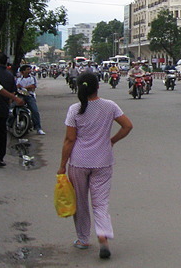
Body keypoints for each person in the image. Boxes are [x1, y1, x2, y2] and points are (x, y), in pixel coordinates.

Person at [58, 72, 132, 259]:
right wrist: (112, 141)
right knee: (100, 203)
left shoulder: (75, 109)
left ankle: (83, 239)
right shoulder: (110, 106)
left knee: (81, 202)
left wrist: (62, 166)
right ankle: (103, 236)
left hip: (79, 162)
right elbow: (127, 126)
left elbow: (69, 139)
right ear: (98, 86)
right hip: (103, 162)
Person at [0, 53, 15, 166]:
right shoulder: (9, 75)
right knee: (1, 133)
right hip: (3, 108)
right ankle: (0, 157)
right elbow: (12, 91)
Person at [17, 64, 45, 135]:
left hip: (29, 96)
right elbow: (16, 86)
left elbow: (33, 86)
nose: (29, 71)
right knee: (12, 108)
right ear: (23, 71)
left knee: (34, 111)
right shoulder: (19, 79)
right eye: (28, 69)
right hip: (20, 96)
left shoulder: (32, 78)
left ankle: (38, 128)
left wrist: (23, 87)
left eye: (30, 69)